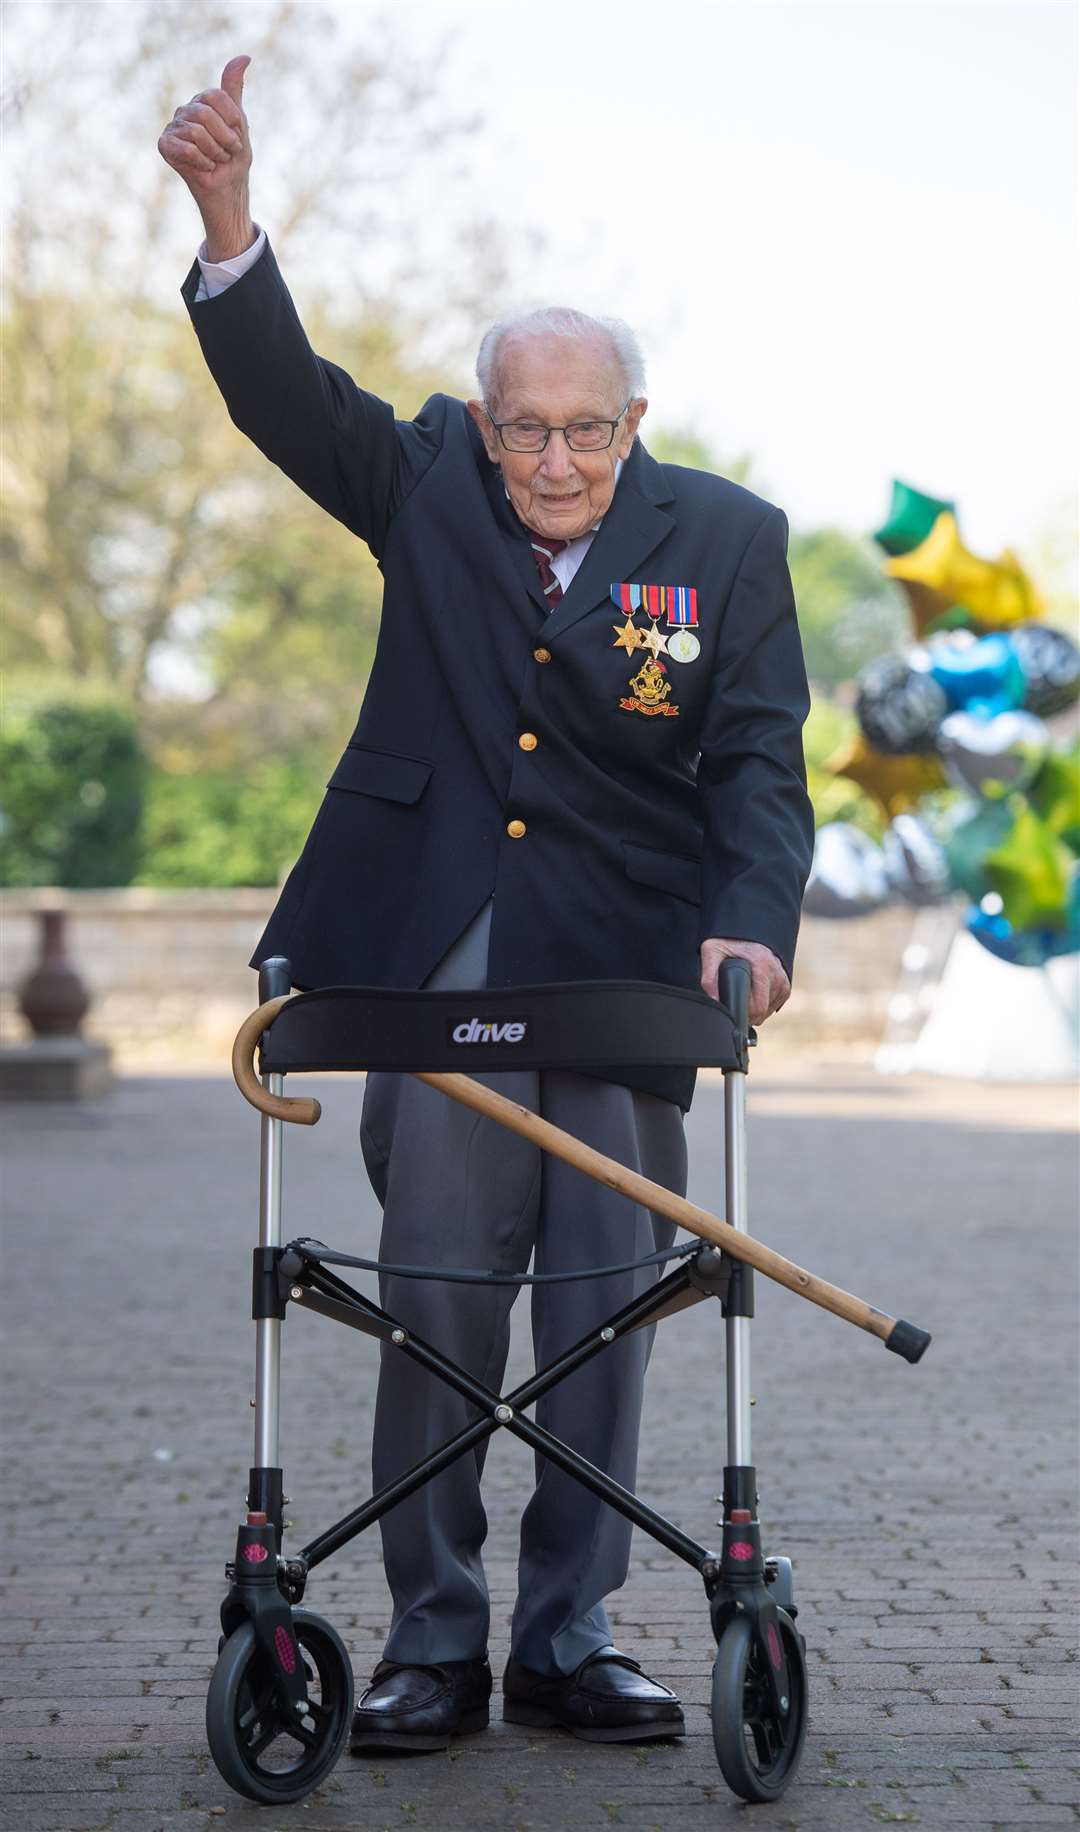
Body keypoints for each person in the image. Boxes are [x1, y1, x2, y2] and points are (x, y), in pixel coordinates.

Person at [160, 55, 815, 1756]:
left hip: (628, 957)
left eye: (587, 428)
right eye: (526, 425)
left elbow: (757, 758)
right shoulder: (429, 479)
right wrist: (231, 224)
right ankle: (433, 1639)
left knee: (607, 1296)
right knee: (441, 1295)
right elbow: (289, 401)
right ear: (486, 420)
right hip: (435, 953)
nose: (554, 457)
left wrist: (754, 921)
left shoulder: (729, 541)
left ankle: (571, 1633)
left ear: (637, 425)